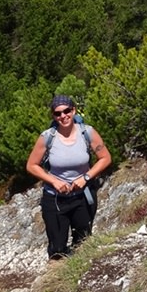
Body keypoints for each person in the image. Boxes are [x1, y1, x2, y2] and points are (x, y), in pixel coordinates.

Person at [26, 95, 112, 259]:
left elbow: (105, 158)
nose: (63, 116)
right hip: (55, 199)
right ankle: (55, 279)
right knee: (57, 248)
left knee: (83, 242)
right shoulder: (47, 137)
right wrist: (54, 181)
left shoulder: (87, 132)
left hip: (82, 196)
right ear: (53, 116)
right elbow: (31, 165)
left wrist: (85, 178)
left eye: (67, 111)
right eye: (58, 113)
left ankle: (78, 279)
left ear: (74, 110)